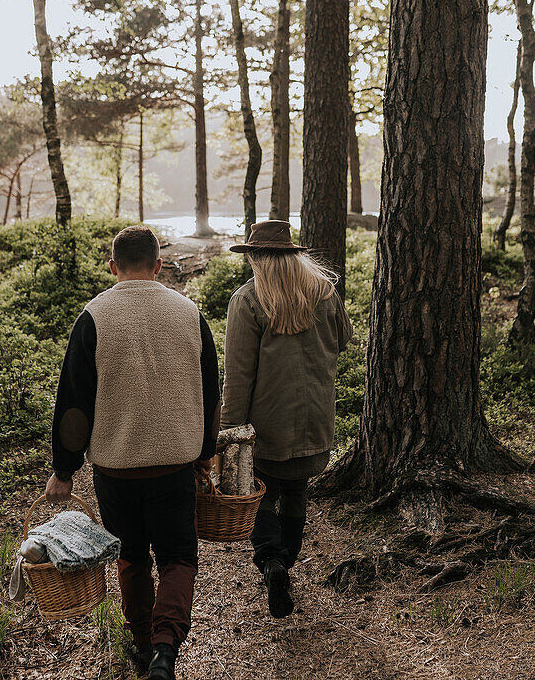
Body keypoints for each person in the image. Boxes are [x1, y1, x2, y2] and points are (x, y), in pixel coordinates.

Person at [45, 225, 220, 680]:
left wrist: (64, 471)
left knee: (132, 557)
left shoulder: (93, 317)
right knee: (179, 558)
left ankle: (142, 643)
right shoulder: (188, 313)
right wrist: (205, 453)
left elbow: (74, 404)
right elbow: (209, 392)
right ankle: (166, 650)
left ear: (112, 267)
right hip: (174, 464)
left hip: (115, 469)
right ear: (159, 265)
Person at [221, 220, 353, 618]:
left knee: (261, 492)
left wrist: (228, 432)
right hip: (315, 419)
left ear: (258, 258)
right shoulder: (324, 293)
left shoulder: (247, 301)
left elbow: (238, 376)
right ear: (294, 256)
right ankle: (287, 561)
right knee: (296, 491)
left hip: (266, 424)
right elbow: (343, 340)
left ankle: (271, 562)